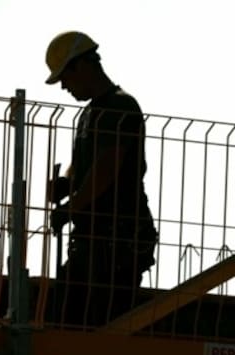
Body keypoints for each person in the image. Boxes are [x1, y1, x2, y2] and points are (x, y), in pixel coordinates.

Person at [44, 31, 158, 328]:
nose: (64, 87)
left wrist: (71, 208)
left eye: (64, 78)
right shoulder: (92, 113)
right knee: (67, 316)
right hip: (95, 239)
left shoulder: (120, 108)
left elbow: (106, 170)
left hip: (118, 239)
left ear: (80, 66)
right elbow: (85, 165)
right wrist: (67, 184)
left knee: (102, 322)